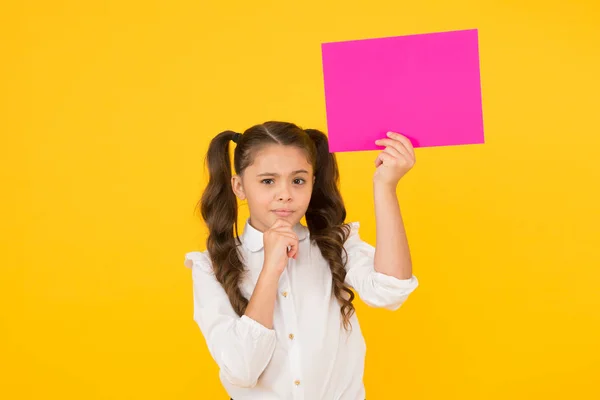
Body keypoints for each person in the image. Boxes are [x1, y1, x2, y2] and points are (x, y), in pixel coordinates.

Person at [184, 121, 419, 399]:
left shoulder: (333, 244)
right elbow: (242, 370)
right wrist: (271, 267)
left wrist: (385, 186)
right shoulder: (209, 267)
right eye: (268, 181)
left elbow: (391, 290)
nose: (285, 194)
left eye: (298, 180)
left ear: (312, 183)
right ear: (239, 186)